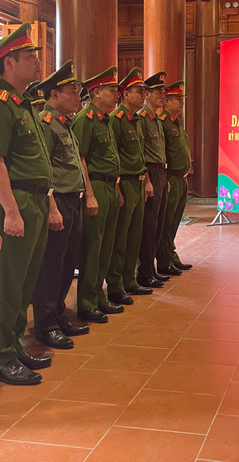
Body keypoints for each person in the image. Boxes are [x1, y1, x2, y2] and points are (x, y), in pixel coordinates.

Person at [0, 22, 53, 386]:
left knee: (25, 281)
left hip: (37, 199)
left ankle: (13, 342)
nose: (37, 63)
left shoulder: (24, 103)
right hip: (17, 199)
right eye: (30, 57)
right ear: (8, 63)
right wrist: (9, 209)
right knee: (7, 281)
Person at [31, 61, 90, 349]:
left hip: (74, 199)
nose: (78, 97)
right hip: (59, 201)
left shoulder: (66, 124)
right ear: (53, 95)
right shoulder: (46, 123)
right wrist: (52, 206)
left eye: (78, 92)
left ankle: (57, 314)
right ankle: (45, 324)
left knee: (68, 263)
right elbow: (46, 169)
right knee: (51, 265)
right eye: (72, 91)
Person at [71, 66, 123, 324]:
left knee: (106, 247)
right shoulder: (86, 119)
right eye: (112, 90)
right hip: (96, 188)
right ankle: (87, 302)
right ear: (95, 92)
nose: (117, 94)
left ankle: (99, 296)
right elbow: (81, 158)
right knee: (93, 247)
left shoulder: (106, 120)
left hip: (110, 187)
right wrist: (89, 194)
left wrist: (117, 188)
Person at [106, 67, 155, 306]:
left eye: (145, 91)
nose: (143, 95)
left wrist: (146, 180)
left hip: (137, 181)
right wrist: (117, 187)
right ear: (125, 94)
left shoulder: (135, 120)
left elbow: (139, 155)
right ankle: (115, 285)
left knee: (134, 236)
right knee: (121, 238)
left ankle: (129, 279)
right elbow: (113, 155)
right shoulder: (116, 121)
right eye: (138, 91)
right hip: (123, 182)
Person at [137, 72, 171, 288]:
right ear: (147, 94)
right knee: (148, 226)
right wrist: (148, 180)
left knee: (158, 224)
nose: (163, 95)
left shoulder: (156, 119)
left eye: (163, 91)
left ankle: (152, 268)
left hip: (161, 172)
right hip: (149, 172)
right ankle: (144, 270)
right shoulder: (141, 119)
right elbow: (141, 152)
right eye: (158, 91)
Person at [157, 81, 194, 273]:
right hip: (170, 178)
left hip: (182, 177)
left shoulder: (176, 122)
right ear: (167, 101)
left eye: (182, 99)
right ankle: (165, 260)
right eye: (177, 99)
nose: (181, 103)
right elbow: (161, 154)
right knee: (167, 221)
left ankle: (170, 254)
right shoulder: (162, 122)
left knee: (175, 220)